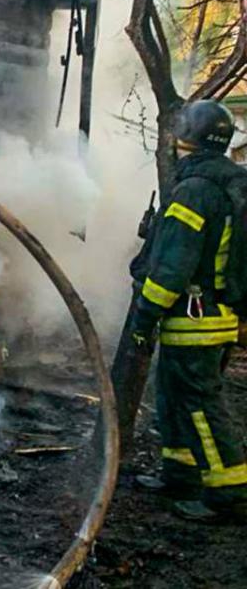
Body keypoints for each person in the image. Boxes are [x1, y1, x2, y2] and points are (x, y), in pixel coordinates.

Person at [129, 100, 247, 521]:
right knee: (173, 396)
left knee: (199, 404)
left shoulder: (194, 191)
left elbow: (172, 267)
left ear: (187, 137)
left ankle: (228, 492)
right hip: (212, 314)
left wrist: (145, 316)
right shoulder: (225, 182)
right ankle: (180, 472)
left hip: (194, 318)